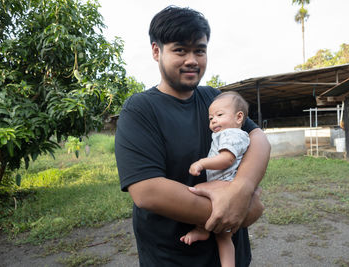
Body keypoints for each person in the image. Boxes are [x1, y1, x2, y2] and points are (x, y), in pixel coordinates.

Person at [115, 6, 271, 267]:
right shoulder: (140, 109)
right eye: (180, 50)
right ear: (156, 51)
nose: (192, 60)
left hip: (231, 257)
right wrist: (239, 211)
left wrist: (242, 189)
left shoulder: (215, 99)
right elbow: (147, 191)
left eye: (199, 50)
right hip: (173, 257)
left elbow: (258, 139)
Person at [180, 91, 252, 267]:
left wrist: (202, 163)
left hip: (226, 185)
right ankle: (202, 230)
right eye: (211, 117)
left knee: (196, 192)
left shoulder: (232, 134)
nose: (213, 120)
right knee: (223, 237)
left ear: (239, 117)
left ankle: (202, 230)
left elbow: (227, 159)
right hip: (223, 183)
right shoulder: (231, 134)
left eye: (219, 115)